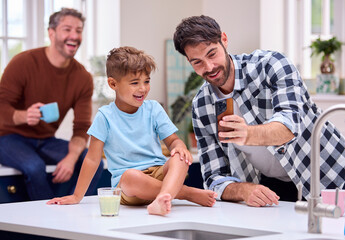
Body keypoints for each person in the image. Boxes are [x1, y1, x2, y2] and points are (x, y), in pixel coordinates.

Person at [173, 15, 345, 207]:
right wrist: (243, 190)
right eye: (197, 62)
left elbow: (289, 126)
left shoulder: (272, 65)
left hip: (328, 171)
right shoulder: (202, 105)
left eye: (212, 54)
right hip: (273, 184)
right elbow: (214, 177)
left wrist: (248, 134)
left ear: (224, 40)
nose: (209, 67)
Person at [47, 46, 217, 216]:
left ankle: (161, 199)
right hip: (130, 188)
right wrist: (77, 196)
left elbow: (173, 141)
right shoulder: (105, 117)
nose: (143, 88)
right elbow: (92, 159)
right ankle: (186, 193)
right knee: (130, 177)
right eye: (135, 83)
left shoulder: (154, 109)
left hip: (159, 175)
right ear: (113, 84)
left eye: (147, 81)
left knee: (180, 156)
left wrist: (179, 146)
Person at [0, 8, 103, 201]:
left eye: (79, 30)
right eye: (67, 29)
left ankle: (72, 208)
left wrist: (71, 158)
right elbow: (2, 107)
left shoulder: (82, 77)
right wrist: (23, 115)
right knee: (34, 166)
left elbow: (81, 127)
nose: (74, 36)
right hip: (8, 138)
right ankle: (51, 223)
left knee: (95, 161)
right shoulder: (22, 63)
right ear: (51, 32)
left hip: (46, 140)